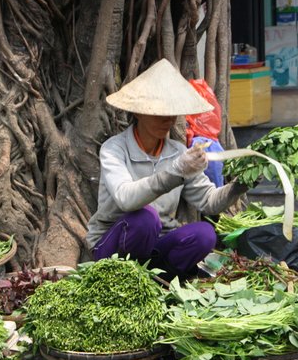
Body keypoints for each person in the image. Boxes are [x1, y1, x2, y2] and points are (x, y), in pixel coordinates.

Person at [85, 59, 250, 281]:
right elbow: (126, 200)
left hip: (156, 247)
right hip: (113, 245)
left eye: (172, 112)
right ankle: (126, 281)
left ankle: (161, 282)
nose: (168, 119)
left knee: (204, 234)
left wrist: (241, 185)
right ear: (139, 112)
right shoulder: (114, 149)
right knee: (145, 219)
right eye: (159, 112)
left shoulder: (177, 151)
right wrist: (176, 171)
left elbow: (209, 201)